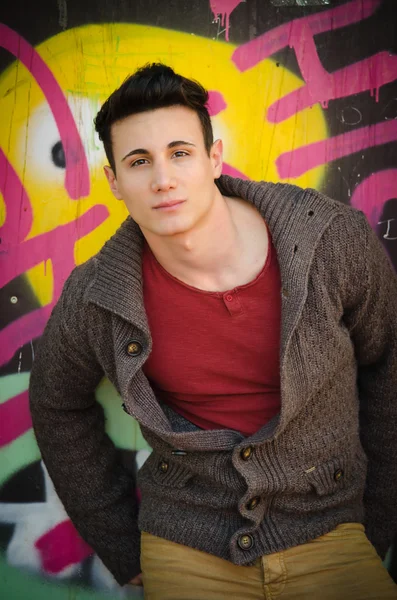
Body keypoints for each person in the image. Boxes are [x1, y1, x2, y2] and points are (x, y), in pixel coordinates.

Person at [29, 63, 397, 599]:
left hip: (332, 529)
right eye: (138, 161)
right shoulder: (99, 294)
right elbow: (55, 400)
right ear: (113, 181)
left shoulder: (329, 243)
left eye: (180, 153)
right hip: (187, 543)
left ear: (214, 158)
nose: (163, 179)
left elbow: (389, 367)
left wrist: (377, 522)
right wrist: (116, 539)